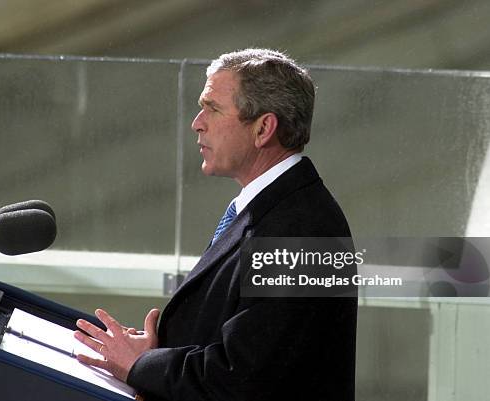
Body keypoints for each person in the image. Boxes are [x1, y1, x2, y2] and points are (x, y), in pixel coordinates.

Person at [74, 49, 357, 401]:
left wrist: (144, 364)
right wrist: (158, 353)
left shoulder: (301, 231)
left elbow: (242, 379)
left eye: (213, 108)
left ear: (263, 128)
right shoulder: (273, 209)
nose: (197, 122)